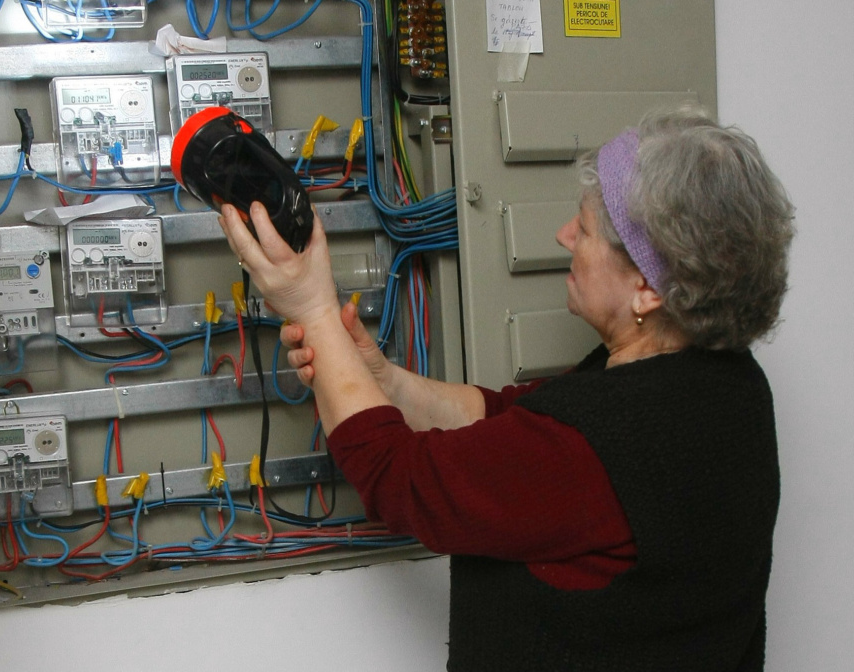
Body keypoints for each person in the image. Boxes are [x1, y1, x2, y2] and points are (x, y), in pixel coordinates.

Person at [218, 106, 795, 671]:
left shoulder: (603, 444)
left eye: (585, 228)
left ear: (647, 288)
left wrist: (313, 310)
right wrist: (383, 381)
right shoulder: (729, 387)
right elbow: (512, 419)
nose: (564, 236)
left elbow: (400, 479)